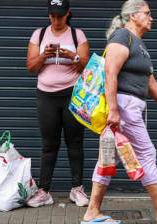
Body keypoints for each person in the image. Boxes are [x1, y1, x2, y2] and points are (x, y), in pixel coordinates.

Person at [82, 1, 157, 223]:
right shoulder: (122, 37)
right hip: (124, 107)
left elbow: (150, 81)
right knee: (146, 153)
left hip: (129, 107)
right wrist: (114, 110)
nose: (151, 17)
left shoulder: (138, 44)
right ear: (133, 16)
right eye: (147, 13)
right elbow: (110, 73)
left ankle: (92, 212)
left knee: (107, 158)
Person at [26, 0, 90, 207]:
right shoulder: (40, 34)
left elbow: (87, 67)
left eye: (60, 16)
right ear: (48, 15)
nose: (56, 20)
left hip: (72, 95)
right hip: (46, 96)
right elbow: (30, 66)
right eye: (52, 16)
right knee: (49, 145)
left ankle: (77, 189)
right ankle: (44, 191)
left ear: (68, 14)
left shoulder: (77, 35)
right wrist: (44, 55)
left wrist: (72, 55)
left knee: (75, 143)